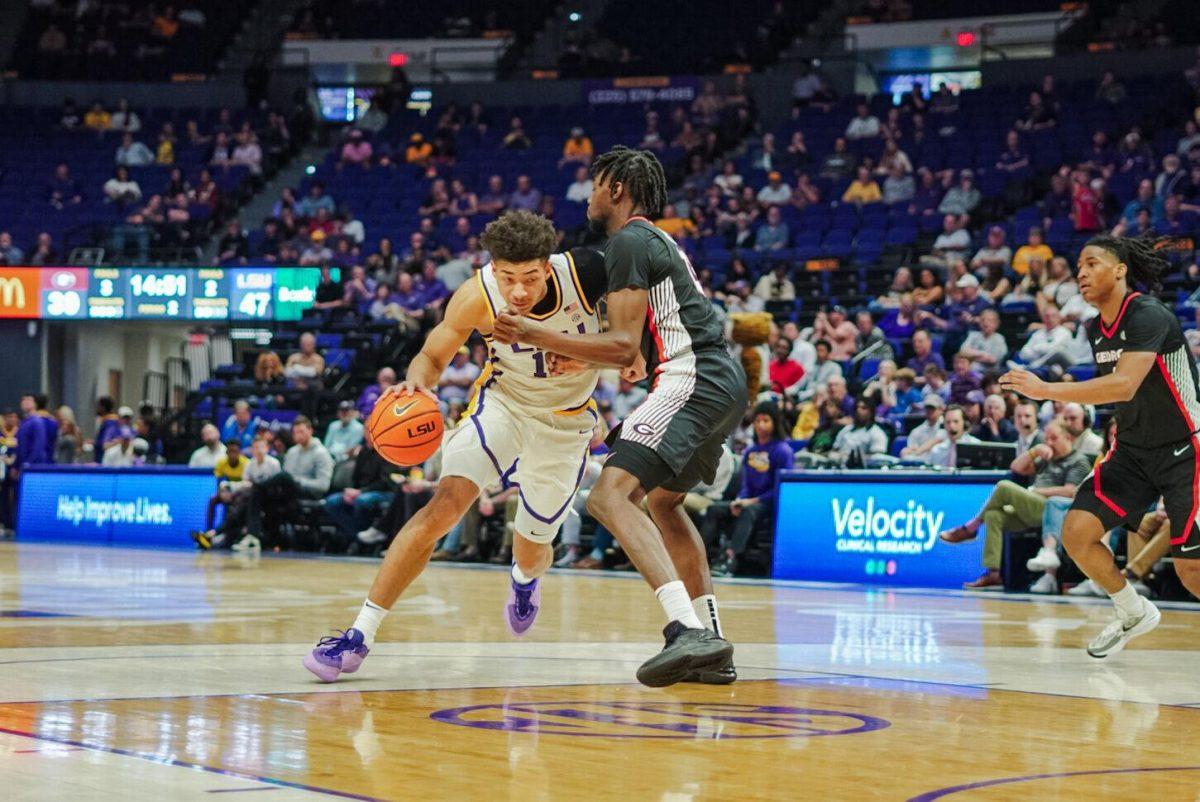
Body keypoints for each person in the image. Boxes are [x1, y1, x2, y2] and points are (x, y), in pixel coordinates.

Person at [304, 212, 609, 681]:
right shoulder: (477, 294)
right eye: (509, 278)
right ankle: (359, 633)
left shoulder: (588, 274)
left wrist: (595, 355)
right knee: (443, 506)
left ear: (549, 266)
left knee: (532, 550)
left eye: (530, 277)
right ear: (494, 268)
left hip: (565, 425)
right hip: (502, 404)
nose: (519, 291)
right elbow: (431, 355)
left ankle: (525, 581)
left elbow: (638, 331)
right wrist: (417, 386)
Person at [492, 147, 748, 687]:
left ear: (614, 188)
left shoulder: (629, 240)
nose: (587, 197)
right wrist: (590, 352)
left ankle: (687, 631)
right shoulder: (651, 241)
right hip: (712, 378)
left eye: (592, 185)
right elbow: (632, 356)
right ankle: (713, 645)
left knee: (609, 496)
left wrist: (534, 334)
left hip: (694, 376)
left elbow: (622, 343)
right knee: (665, 503)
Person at [999, 236, 1200, 657]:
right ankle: (1133, 611)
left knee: (1192, 571)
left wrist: (1046, 388)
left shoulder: (1147, 314)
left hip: (1186, 449)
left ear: (1121, 269)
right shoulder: (1095, 328)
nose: (1083, 274)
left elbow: (1124, 385)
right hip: (1132, 451)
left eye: (1092, 264)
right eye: (1079, 268)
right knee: (1077, 532)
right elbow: (1123, 396)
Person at [940, 419, 1089, 589]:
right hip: (1032, 510)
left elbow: (1069, 491)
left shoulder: (1079, 460)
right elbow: (1016, 467)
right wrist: (1034, 451)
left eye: (1053, 438)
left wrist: (1034, 492)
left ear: (1068, 438)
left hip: (1054, 511)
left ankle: (970, 528)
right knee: (993, 515)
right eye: (1046, 439)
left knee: (1004, 487)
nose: (1049, 443)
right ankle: (993, 573)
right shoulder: (1048, 458)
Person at [702, 403, 792, 577]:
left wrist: (751, 501)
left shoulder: (783, 451)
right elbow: (746, 485)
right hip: (748, 501)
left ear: (775, 423)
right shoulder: (751, 451)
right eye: (757, 421)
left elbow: (780, 489)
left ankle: (729, 559)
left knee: (748, 511)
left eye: (765, 420)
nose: (760, 425)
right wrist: (739, 500)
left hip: (769, 504)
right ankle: (698, 556)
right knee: (714, 509)